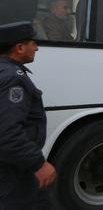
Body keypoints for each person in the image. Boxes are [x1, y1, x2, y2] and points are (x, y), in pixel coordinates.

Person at [0, 21, 57, 210]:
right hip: (13, 169)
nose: (37, 48)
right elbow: (7, 132)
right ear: (19, 47)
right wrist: (39, 164)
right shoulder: (13, 78)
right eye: (33, 43)